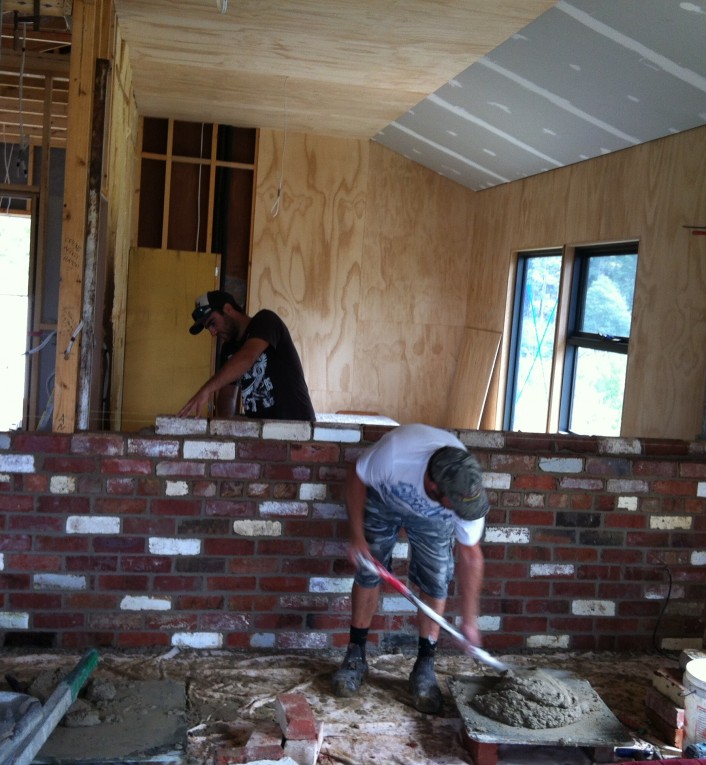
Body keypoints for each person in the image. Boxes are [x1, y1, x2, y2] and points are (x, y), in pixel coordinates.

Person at [332, 422, 490, 714]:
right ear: (432, 485)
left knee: (436, 579)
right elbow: (356, 476)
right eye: (453, 504)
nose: (461, 512)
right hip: (384, 497)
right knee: (369, 571)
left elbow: (471, 556)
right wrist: (356, 535)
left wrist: (469, 621)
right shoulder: (395, 455)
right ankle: (355, 655)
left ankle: (425, 667)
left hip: (432, 518)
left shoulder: (464, 491)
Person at [178, 290, 315, 421]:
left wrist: (205, 390)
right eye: (209, 328)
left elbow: (247, 357)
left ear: (228, 309)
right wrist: (224, 429)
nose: (213, 333)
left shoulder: (265, 320)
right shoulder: (228, 349)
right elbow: (227, 398)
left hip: (297, 426)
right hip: (262, 432)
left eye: (213, 323)